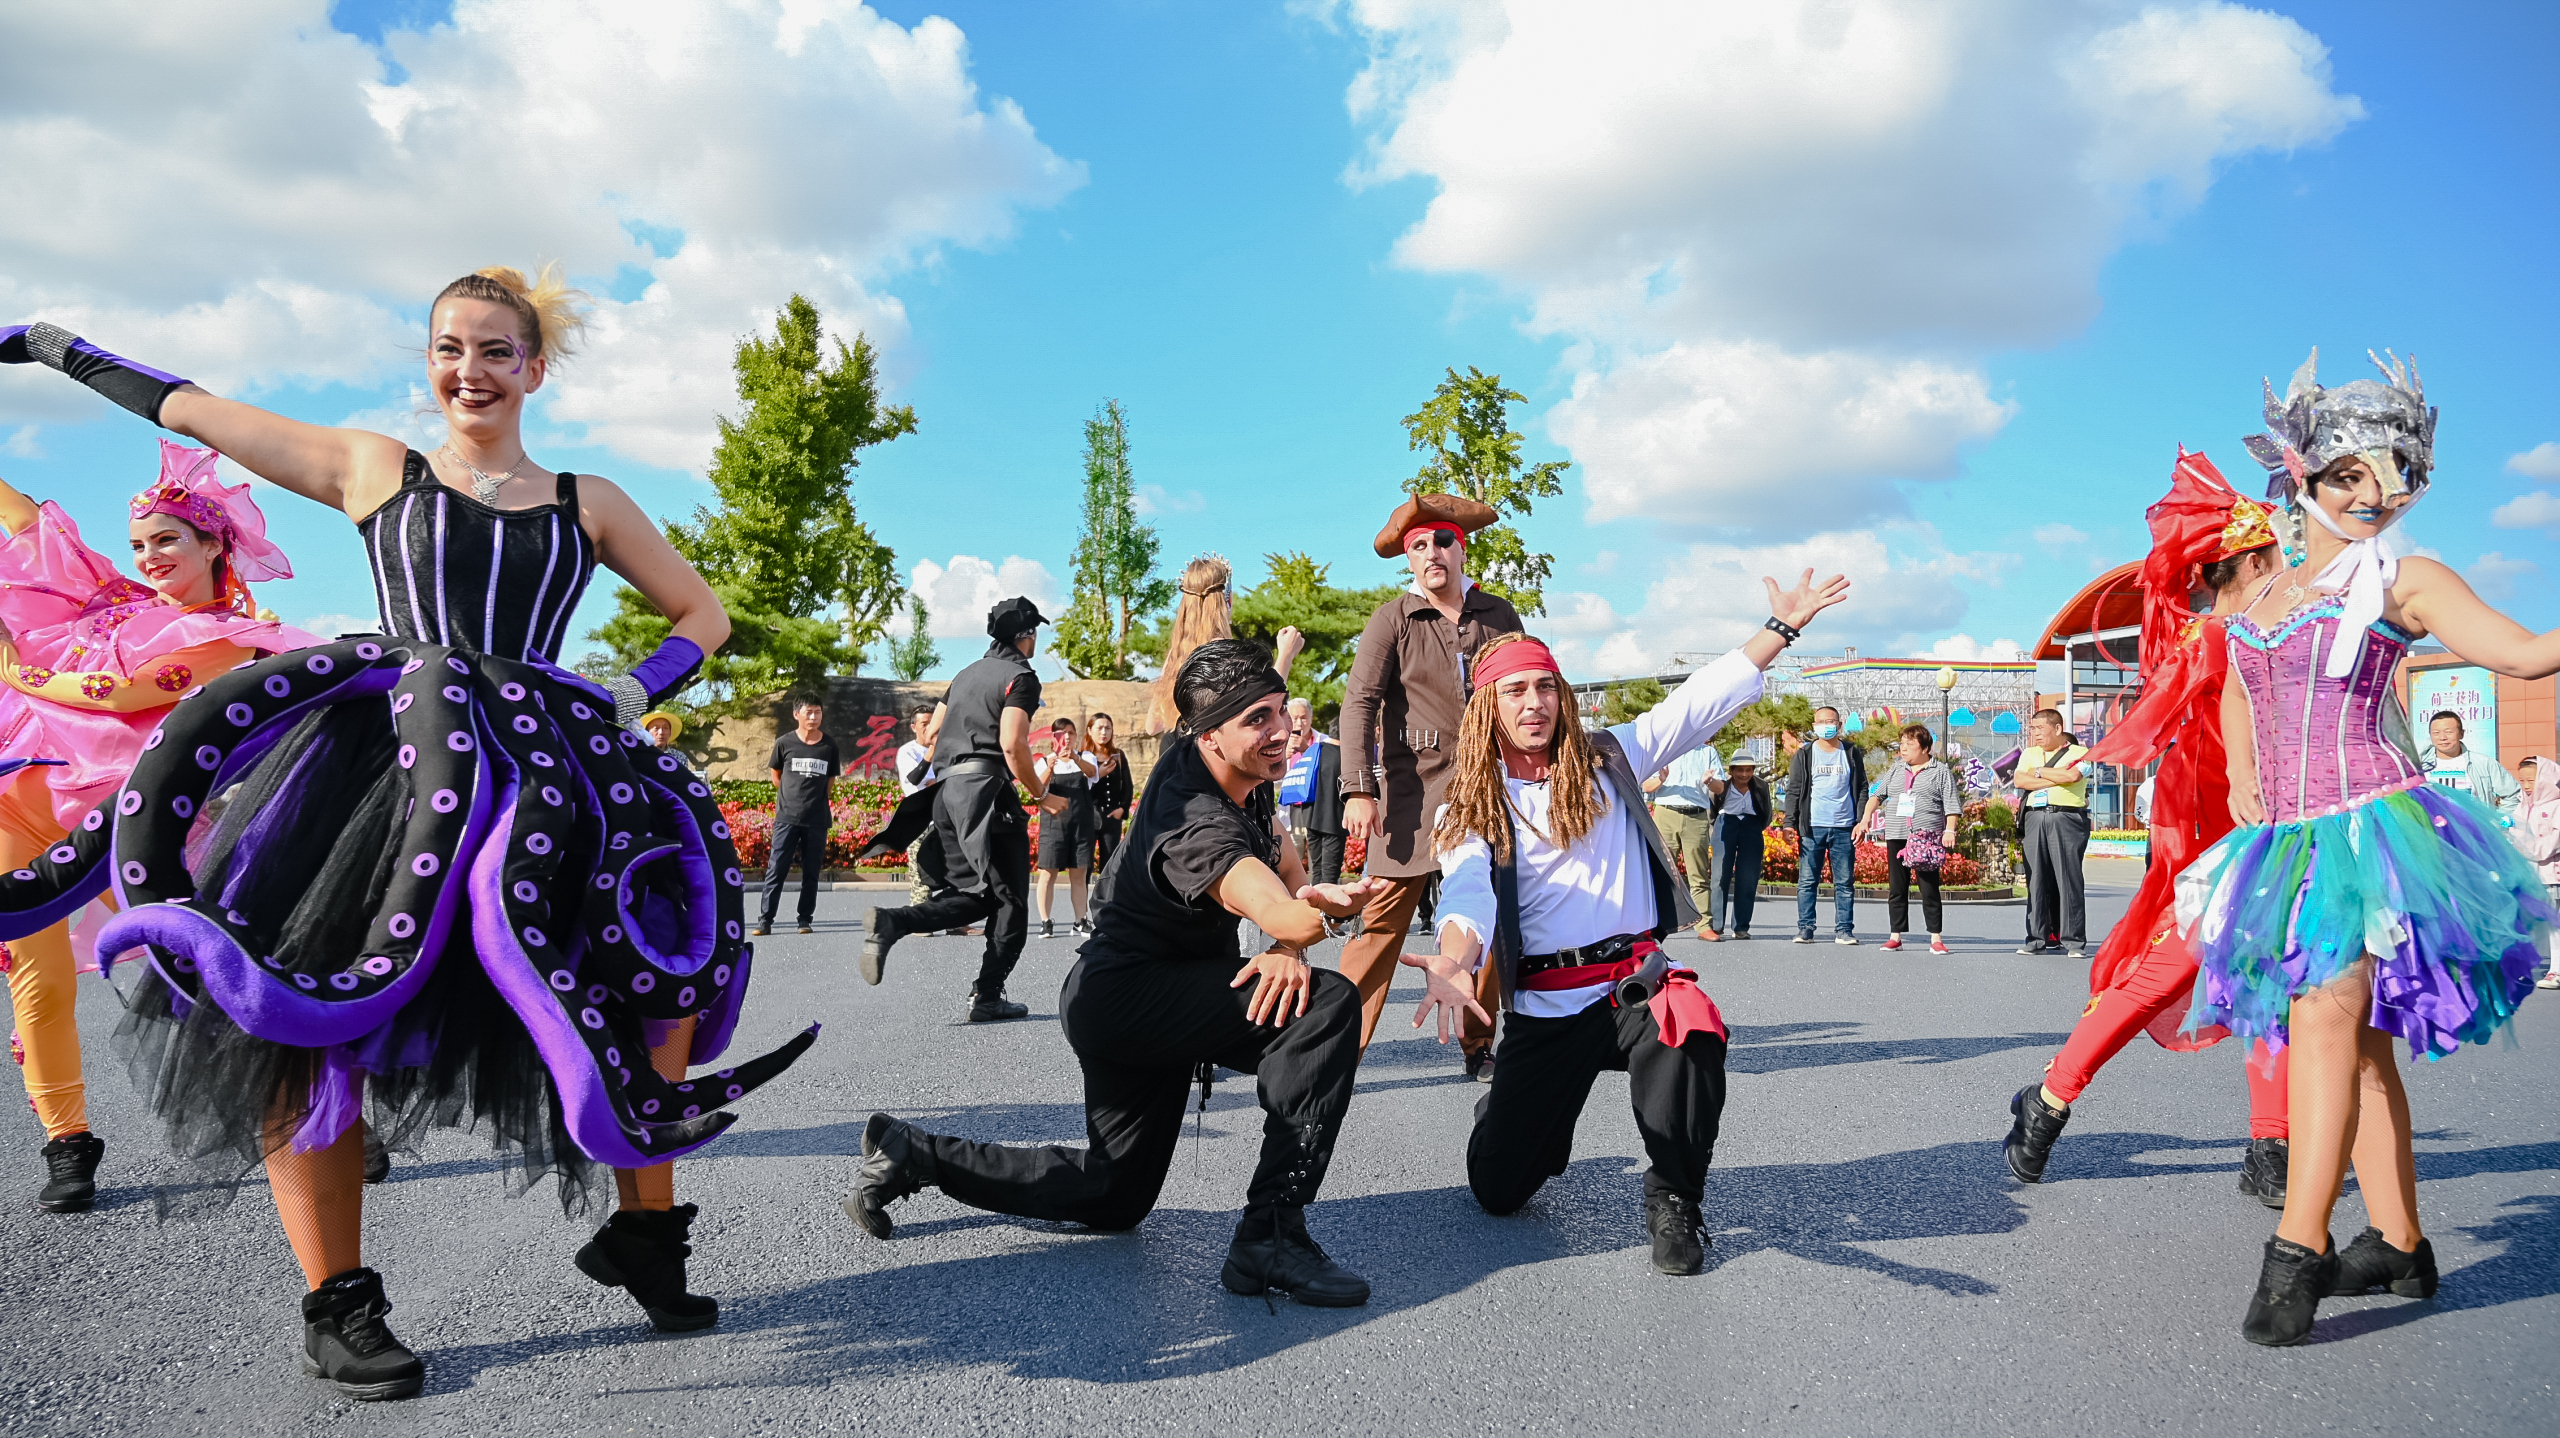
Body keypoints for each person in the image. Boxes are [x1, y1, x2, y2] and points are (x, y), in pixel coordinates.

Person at [0, 272, 814, 1397]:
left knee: (645, 987)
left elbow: (704, 615)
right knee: (302, 1017)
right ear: (430, 361)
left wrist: (630, 689)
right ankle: (338, 1303)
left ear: (535, 367)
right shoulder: (378, 466)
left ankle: (644, 1238)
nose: (469, 371)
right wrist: (59, 347)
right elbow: (190, 407)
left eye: (495, 351)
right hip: (379, 767)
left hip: (544, 765)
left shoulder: (589, 498)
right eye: (450, 348)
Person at [2172, 349, 2547, 1345]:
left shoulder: (2403, 580)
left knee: (2326, 1019)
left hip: (2376, 829)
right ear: (2301, 475)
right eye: (2348, 473)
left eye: (2393, 475)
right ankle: (2398, 1241)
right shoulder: (2257, 598)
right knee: (2363, 1045)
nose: (2374, 494)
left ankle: (2296, 1249)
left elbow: (2517, 653)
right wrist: (2244, 771)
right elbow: (2233, 685)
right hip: (2287, 844)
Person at [844, 640, 1385, 1305]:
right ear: (1210, 737)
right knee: (1324, 1007)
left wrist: (1288, 938)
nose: (1280, 732)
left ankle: (914, 1153)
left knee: (1115, 1193)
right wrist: (1308, 922)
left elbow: (1277, 853)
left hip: (1130, 993)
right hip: (1128, 999)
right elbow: (1281, 907)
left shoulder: (1219, 758)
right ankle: (1270, 1236)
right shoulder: (1196, 826)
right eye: (1258, 720)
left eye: (1281, 712)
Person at [1405, 571, 1851, 1275]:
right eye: (1516, 691)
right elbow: (1466, 892)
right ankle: (1508, 1123)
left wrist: (1782, 630)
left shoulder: (1609, 759)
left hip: (1633, 985)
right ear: (1487, 706)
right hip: (1546, 1009)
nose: (1535, 702)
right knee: (1500, 1191)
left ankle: (1675, 1194)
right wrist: (1457, 958)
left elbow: (1695, 703)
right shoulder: (1468, 805)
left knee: (1690, 1026)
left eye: (1546, 686)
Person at [0, 442, 322, 1213]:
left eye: (167, 540)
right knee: (34, 979)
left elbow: (118, 695)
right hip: (22, 797)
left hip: (134, 821)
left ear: (216, 544)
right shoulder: (108, 603)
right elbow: (21, 523)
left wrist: (15, 671)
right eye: (140, 543)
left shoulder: (238, 638)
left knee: (213, 967)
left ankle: (311, 1107)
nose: (148, 557)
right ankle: (66, 1140)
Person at [2003, 452, 2295, 1200]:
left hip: (2265, 839)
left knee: (2256, 986)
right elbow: (2173, 745)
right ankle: (2053, 1097)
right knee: (2210, 979)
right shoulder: (2229, 642)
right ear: (2255, 561)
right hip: (2248, 841)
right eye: (2278, 560)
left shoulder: (2246, 640)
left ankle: (2056, 1103)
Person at [1337, 493, 1525, 1079]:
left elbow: (1527, 689)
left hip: (1486, 786)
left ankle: (1479, 1042)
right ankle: (1334, 1045)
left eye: (1441, 540)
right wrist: (1358, 789)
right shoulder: (1392, 617)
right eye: (1418, 546)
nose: (1430, 552)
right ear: (1410, 561)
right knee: (1381, 923)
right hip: (1408, 794)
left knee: (1487, 914)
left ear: (1461, 548)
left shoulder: (1498, 613)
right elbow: (1359, 704)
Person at [859, 597, 1068, 1021]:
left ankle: (895, 924)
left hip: (946, 794)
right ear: (1025, 635)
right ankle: (986, 994)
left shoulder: (964, 674)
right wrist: (1041, 795)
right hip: (986, 794)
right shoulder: (1020, 677)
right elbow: (1012, 743)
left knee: (979, 894)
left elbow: (933, 730)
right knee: (1009, 901)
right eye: (1034, 633)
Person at [1142, 555, 1304, 736]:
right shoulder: (1227, 654)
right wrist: (1286, 655)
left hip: (1178, 758)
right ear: (1228, 600)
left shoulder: (1177, 655)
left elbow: (1153, 727)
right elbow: (1262, 707)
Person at [1862, 725, 1961, 953]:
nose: (1903, 749)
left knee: (1929, 888)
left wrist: (1950, 830)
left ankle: (1936, 938)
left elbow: (1952, 804)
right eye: (1902, 744)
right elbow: (1877, 796)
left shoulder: (1940, 771)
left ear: (1925, 748)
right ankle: (1895, 935)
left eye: (1910, 745)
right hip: (1897, 834)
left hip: (1925, 837)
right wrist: (1866, 817)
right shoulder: (1897, 769)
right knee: (1897, 887)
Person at [756, 698, 839, 937]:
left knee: (811, 873)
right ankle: (765, 920)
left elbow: (830, 781)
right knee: (776, 869)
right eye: (809, 712)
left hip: (817, 819)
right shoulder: (784, 742)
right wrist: (791, 799)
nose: (813, 717)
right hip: (787, 818)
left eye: (818, 712)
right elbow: (776, 775)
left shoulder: (829, 746)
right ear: (796, 714)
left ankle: (805, 919)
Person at [1785, 707, 1867, 945]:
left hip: (1844, 827)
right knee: (1808, 881)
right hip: (1812, 827)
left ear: (1839, 724)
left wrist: (1861, 820)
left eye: (1830, 721)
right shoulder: (1805, 754)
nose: (1825, 725)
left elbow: (1862, 787)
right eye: (1820, 722)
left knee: (1844, 882)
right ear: (1814, 725)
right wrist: (1790, 823)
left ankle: (1844, 930)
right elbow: (1794, 790)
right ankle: (1806, 928)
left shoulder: (1851, 752)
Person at [2012, 709, 2091, 957]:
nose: (2034, 733)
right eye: (2032, 728)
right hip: (2035, 817)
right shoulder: (2029, 753)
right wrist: (2053, 776)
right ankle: (2037, 938)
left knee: (2069, 879)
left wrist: (2037, 772)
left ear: (2057, 729)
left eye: (2039, 728)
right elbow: (2019, 781)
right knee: (2036, 879)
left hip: (2066, 817)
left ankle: (2074, 941)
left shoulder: (2080, 752)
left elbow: (2073, 775)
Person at [1646, 739, 1728, 940]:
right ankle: (1654, 925)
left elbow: (1720, 788)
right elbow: (1647, 786)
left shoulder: (1707, 752)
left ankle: (1704, 925)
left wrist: (1709, 781)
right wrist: (1661, 779)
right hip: (1666, 814)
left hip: (1696, 815)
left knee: (1698, 873)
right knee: (1661, 871)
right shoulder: (1663, 750)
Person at [1033, 716, 1098, 938]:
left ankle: (1080, 920)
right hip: (1053, 826)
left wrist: (1076, 758)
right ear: (1053, 738)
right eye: (1062, 734)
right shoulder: (1044, 761)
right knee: (1047, 873)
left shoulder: (1085, 757)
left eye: (1070, 733)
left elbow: (1092, 773)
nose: (1067, 738)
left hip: (1081, 825)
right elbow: (1036, 790)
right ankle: (1045, 920)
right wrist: (1050, 768)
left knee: (1079, 874)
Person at [1280, 698, 1347, 887]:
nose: (1300, 722)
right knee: (1293, 857)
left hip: (1316, 810)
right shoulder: (1279, 740)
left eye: (1304, 717)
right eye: (1295, 718)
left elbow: (1327, 767)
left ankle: (1316, 905)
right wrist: (1283, 758)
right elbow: (1272, 779)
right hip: (1294, 810)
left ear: (1311, 717)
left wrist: (1306, 750)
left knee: (1317, 865)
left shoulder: (1323, 742)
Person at [894, 704, 950, 910]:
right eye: (924, 724)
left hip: (946, 817)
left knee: (954, 869)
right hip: (920, 820)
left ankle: (956, 920)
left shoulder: (950, 749)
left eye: (932, 723)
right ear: (913, 727)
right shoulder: (907, 751)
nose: (929, 728)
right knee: (921, 871)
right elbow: (916, 779)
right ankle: (921, 920)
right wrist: (932, 751)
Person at [2512, 755, 2560, 990]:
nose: (2526, 785)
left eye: (2531, 780)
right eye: (2522, 780)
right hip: (2529, 876)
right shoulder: (2523, 806)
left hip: (2551, 874)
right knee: (2527, 922)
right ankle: (2524, 967)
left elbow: (2551, 843)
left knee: (2553, 923)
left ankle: (2556, 970)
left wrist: (2526, 848)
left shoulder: (2556, 806)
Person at [2420, 711, 2521, 819]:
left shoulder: (2484, 763)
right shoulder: (2419, 766)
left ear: (2461, 734)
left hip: (2475, 832)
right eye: (2436, 733)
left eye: (2449, 732)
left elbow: (2513, 795)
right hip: (2432, 832)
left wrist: (2496, 822)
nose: (2442, 737)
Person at [1713, 755, 1771, 938]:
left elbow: (1767, 812)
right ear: (1731, 771)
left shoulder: (1761, 786)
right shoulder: (1722, 786)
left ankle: (1741, 927)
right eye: (1739, 770)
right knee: (1719, 874)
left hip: (1751, 826)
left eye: (1748, 770)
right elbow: (1712, 809)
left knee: (1748, 876)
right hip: (1726, 823)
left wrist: (1754, 826)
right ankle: (1716, 925)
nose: (1744, 774)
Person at [1087, 712, 1131, 876]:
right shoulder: (1083, 756)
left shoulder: (1118, 756)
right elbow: (1078, 786)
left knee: (1110, 865)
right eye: (1099, 728)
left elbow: (1127, 785)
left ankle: (1106, 900)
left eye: (1108, 728)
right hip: (1089, 815)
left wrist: (1122, 808)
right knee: (1085, 864)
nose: (1104, 732)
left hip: (1112, 816)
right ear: (1090, 730)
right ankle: (1083, 901)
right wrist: (1098, 773)